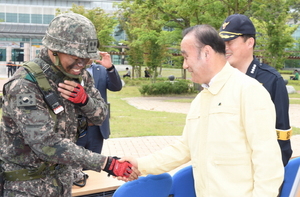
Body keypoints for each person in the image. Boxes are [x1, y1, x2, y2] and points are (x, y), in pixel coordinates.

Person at [121, 24, 284, 196]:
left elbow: (267, 160)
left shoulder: (248, 90)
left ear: (206, 52)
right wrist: (140, 164)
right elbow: (184, 148)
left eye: (186, 57)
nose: (184, 65)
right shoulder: (201, 99)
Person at [0, 13, 136, 197]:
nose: (82, 64)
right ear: (54, 50)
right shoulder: (25, 85)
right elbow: (46, 144)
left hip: (63, 184)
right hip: (26, 188)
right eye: (77, 57)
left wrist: (85, 102)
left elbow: (101, 116)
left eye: (86, 59)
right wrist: (107, 163)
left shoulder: (80, 76)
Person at [219, 14, 293, 166]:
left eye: (230, 41)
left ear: (250, 42)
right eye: (222, 42)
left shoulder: (271, 80)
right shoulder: (218, 79)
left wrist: (270, 178)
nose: (225, 47)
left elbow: (281, 137)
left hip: (258, 173)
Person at [76, 57, 122, 154]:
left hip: (96, 128)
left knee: (93, 167)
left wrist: (110, 68)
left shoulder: (100, 69)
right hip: (75, 127)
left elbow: (116, 87)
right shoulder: (71, 68)